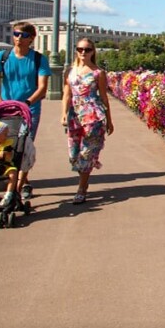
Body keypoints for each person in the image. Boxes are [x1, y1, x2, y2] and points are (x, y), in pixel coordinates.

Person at [0, 21, 51, 202]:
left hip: (29, 109)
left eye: (23, 36)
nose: (18, 38)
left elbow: (42, 88)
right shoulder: (2, 57)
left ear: (31, 38)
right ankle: (22, 183)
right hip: (6, 109)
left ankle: (17, 188)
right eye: (16, 34)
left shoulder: (39, 59)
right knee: (7, 146)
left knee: (25, 146)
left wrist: (27, 102)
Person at [61, 38, 114, 204]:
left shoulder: (99, 72)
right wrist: (63, 113)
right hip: (74, 115)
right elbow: (67, 94)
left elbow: (104, 98)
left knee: (87, 152)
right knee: (74, 153)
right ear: (76, 50)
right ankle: (83, 180)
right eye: (80, 49)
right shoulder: (70, 71)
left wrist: (110, 120)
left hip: (93, 115)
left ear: (93, 52)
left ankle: (82, 188)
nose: (83, 52)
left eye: (87, 49)